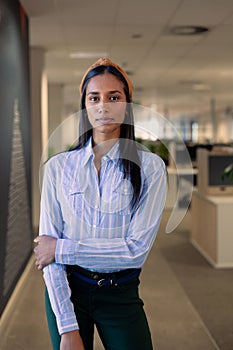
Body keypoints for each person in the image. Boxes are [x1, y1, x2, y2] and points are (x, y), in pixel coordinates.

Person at [34, 57, 167, 350]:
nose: (103, 106)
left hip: (120, 294)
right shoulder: (58, 168)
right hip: (67, 292)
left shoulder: (150, 168)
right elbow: (48, 258)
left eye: (113, 97)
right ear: (85, 105)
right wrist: (67, 327)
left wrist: (62, 248)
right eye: (94, 98)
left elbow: (134, 251)